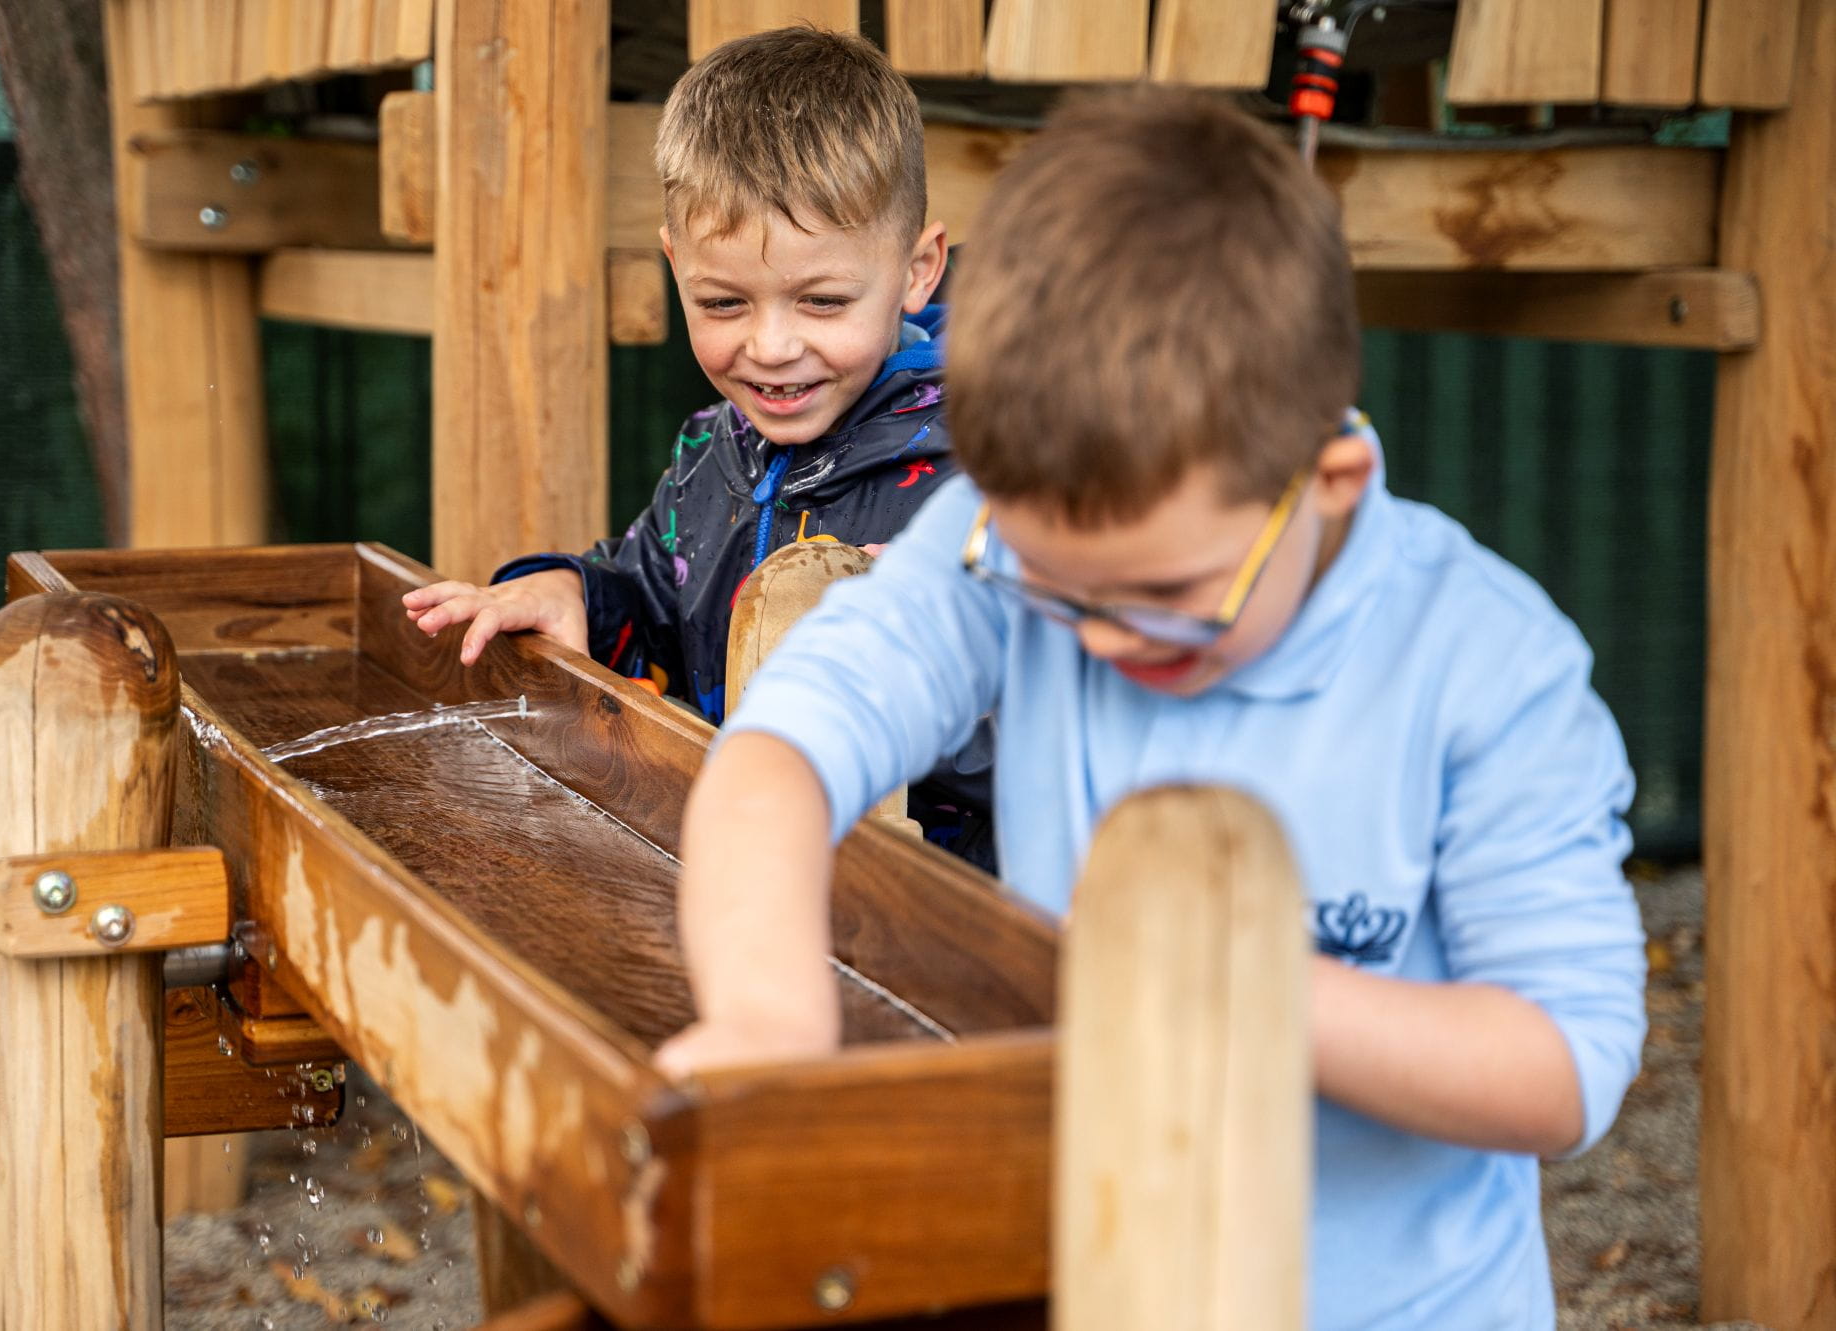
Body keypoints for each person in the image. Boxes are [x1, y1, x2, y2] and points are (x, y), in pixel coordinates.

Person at [657, 87, 1645, 1330]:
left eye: (1169, 596)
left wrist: (1237, 984)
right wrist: (764, 1010)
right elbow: (784, 750)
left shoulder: (1486, 664)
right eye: (1055, 588)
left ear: (1329, 482)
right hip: (1098, 1278)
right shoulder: (1004, 545)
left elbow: (1564, 1065)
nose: (1104, 638)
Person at [403, 24, 989, 858]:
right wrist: (574, 594)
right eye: (723, 304)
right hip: (750, 878)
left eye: (823, 302)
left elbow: (1065, 727)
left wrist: (948, 651)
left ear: (918, 270)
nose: (772, 346)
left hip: (934, 907)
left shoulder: (989, 475)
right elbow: (651, 607)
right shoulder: (714, 456)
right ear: (676, 265)